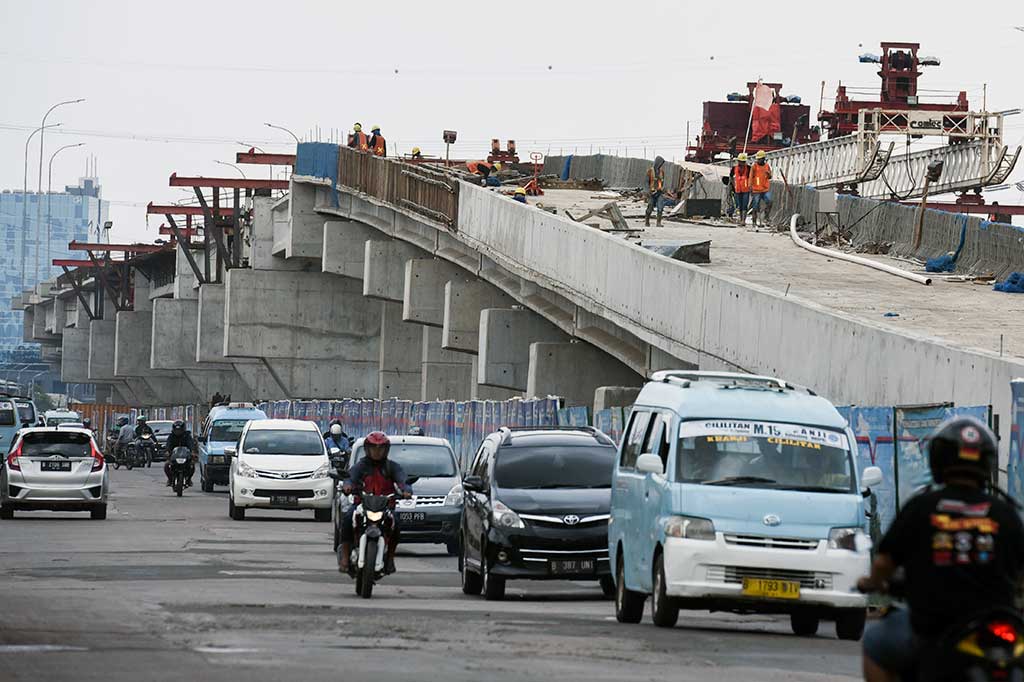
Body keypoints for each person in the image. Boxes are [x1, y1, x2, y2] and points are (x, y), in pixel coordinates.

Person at [857, 416, 1024, 682]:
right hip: (995, 630)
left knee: (876, 642)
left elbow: (883, 564)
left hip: (933, 628)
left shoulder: (922, 507)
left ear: (938, 460)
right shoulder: (1005, 514)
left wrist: (871, 582)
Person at [338, 431, 413, 575]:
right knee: (348, 518)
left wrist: (406, 490)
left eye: (381, 449)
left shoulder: (392, 467)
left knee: (396, 523)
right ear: (367, 449)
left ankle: (390, 557)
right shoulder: (361, 466)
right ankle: (345, 557)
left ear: (386, 450)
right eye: (374, 448)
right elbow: (350, 477)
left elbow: (403, 480)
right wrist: (347, 486)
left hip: (385, 507)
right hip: (362, 505)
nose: (377, 452)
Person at [163, 420, 197, 487]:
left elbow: (190, 443)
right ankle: (170, 479)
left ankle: (189, 479)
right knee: (167, 465)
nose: (178, 431)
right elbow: (168, 444)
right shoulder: (171, 436)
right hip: (174, 456)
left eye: (179, 430)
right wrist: (167, 451)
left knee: (192, 465)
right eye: (176, 430)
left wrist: (192, 451)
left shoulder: (187, 435)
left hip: (185, 456)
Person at [749, 150, 773, 227]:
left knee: (770, 201)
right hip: (756, 189)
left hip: (765, 189)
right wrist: (750, 188)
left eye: (759, 159)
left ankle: (766, 216)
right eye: (758, 159)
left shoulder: (767, 166)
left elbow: (770, 177)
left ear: (763, 159)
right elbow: (750, 177)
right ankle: (754, 221)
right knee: (755, 206)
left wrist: (769, 174)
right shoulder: (754, 166)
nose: (758, 160)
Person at [645, 156, 667, 227]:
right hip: (652, 192)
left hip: (659, 192)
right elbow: (646, 182)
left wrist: (662, 189)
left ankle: (658, 222)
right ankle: (647, 221)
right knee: (650, 207)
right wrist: (648, 191)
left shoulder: (662, 172)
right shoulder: (650, 171)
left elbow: (662, 182)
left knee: (660, 207)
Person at [731, 153, 752, 225]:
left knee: (744, 205)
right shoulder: (734, 168)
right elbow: (731, 176)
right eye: (740, 161)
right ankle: (741, 219)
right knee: (739, 205)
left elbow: (752, 177)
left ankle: (743, 220)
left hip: (746, 190)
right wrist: (734, 185)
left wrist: (750, 186)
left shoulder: (749, 168)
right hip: (738, 190)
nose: (741, 163)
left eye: (743, 162)